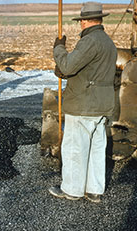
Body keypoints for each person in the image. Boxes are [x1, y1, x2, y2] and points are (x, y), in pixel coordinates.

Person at [48, 2, 117, 203]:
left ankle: (72, 189)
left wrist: (59, 49)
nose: (81, 24)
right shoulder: (108, 42)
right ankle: (95, 190)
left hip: (83, 104)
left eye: (81, 21)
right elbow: (90, 70)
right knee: (96, 148)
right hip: (102, 105)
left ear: (85, 21)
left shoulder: (90, 41)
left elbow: (68, 67)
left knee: (74, 149)